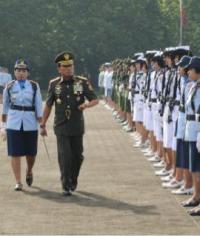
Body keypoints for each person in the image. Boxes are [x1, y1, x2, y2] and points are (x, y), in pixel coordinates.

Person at [40, 51, 98, 196]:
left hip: (77, 125)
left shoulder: (81, 82)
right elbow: (48, 105)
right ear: (59, 68)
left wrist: (86, 106)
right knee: (65, 155)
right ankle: (66, 184)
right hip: (61, 125)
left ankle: (73, 179)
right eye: (65, 67)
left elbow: (95, 99)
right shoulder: (54, 84)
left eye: (71, 66)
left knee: (77, 156)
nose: (69, 69)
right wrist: (43, 124)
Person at [0, 59, 43, 191]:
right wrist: (3, 126)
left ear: (28, 73)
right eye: (18, 70)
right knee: (15, 153)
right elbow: (5, 106)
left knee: (31, 153)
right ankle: (18, 181)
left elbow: (39, 105)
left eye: (24, 71)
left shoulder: (34, 86)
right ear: (14, 72)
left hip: (30, 122)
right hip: (14, 122)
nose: (21, 73)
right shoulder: (10, 86)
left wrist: (41, 125)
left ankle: (29, 170)